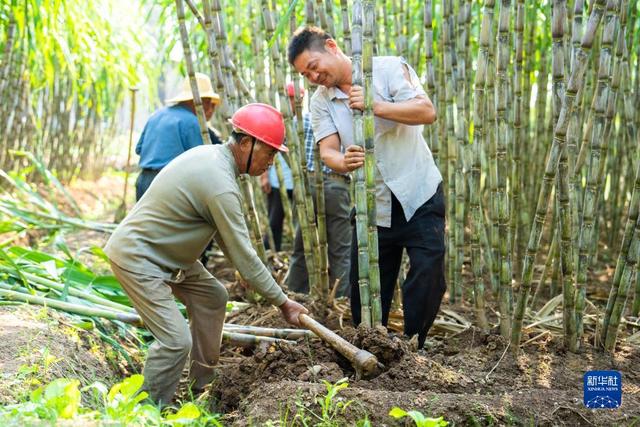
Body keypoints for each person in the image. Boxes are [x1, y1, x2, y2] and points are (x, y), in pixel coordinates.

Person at [104, 103, 308, 405]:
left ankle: (201, 386)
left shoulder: (213, 159)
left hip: (170, 259)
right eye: (270, 153)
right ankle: (146, 411)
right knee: (175, 342)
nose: (271, 162)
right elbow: (244, 255)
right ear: (247, 143)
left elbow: (232, 246)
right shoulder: (220, 183)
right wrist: (283, 301)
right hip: (140, 258)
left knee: (212, 297)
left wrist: (268, 289)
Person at [288, 27, 445, 347]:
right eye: (306, 74)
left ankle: (415, 346)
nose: (314, 76)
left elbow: (427, 111)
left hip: (418, 191)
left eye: (314, 66)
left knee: (429, 271)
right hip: (371, 199)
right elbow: (328, 150)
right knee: (366, 287)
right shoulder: (321, 102)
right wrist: (342, 161)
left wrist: (375, 106)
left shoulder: (387, 69)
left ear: (331, 47)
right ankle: (371, 344)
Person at [282, 83, 352, 298]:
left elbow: (283, 145)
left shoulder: (298, 121)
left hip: (306, 186)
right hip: (336, 183)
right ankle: (341, 298)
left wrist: (299, 171)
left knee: (302, 244)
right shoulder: (346, 120)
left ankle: (296, 295)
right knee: (341, 249)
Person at [135, 72, 223, 201]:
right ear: (199, 101)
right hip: (169, 186)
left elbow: (139, 149)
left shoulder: (156, 115)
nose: (211, 110)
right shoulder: (193, 122)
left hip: (143, 182)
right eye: (209, 103)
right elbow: (201, 161)